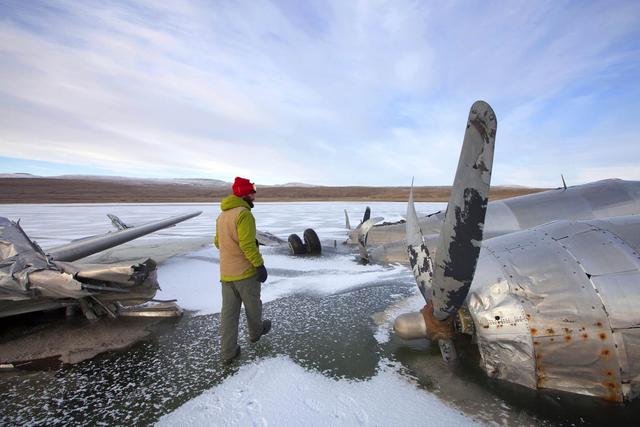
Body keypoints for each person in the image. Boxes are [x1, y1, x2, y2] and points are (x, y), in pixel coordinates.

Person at [214, 177, 271, 364]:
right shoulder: (244, 214)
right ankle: (256, 333)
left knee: (228, 315)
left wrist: (231, 244)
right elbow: (247, 245)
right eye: (252, 193)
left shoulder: (222, 216)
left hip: (226, 274)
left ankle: (228, 353)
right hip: (245, 274)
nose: (254, 196)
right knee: (253, 307)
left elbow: (217, 243)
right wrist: (259, 265)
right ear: (244, 194)